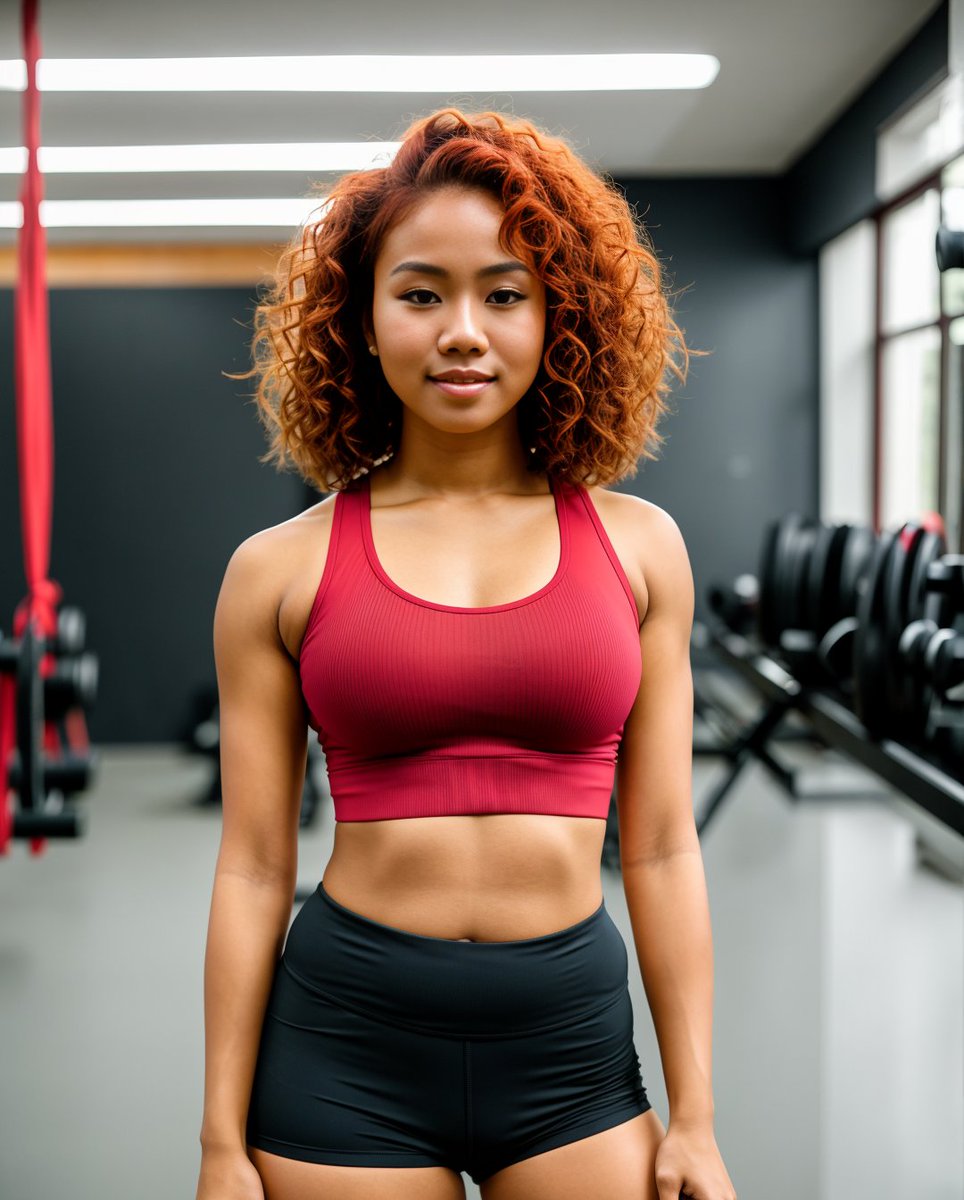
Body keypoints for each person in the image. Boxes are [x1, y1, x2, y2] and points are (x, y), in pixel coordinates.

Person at [196, 108, 737, 1200]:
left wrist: (698, 1118)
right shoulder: (275, 569)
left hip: (570, 1050)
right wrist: (217, 1142)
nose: (461, 331)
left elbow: (666, 848)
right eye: (420, 293)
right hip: (344, 1044)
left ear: (558, 316)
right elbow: (255, 866)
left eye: (503, 293)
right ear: (360, 319)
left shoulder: (640, 549)